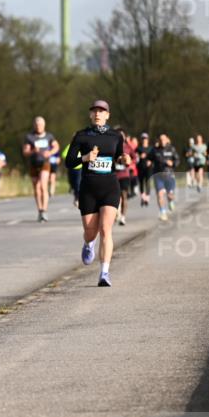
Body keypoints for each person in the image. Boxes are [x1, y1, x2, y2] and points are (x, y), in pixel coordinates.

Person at [66, 100, 127, 287]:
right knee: (90, 231)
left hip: (110, 186)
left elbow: (119, 158)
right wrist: (85, 158)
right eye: (95, 111)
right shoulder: (81, 136)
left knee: (105, 230)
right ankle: (88, 244)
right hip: (88, 188)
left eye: (102, 111)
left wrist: (124, 158)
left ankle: (104, 273)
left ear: (108, 115)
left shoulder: (116, 136)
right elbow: (69, 162)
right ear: (90, 115)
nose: (98, 114)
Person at [22, 117, 59, 222]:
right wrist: (33, 151)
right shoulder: (29, 137)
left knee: (43, 186)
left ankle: (45, 210)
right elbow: (25, 152)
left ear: (44, 125)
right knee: (37, 189)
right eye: (37, 125)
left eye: (41, 124)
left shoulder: (49, 136)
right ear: (34, 125)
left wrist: (50, 153)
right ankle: (40, 210)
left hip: (45, 163)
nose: (39, 126)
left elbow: (56, 146)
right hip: (33, 164)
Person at [149, 134, 179, 220]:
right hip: (158, 176)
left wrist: (173, 163)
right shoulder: (155, 150)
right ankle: (163, 212)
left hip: (169, 175)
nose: (162, 141)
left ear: (167, 140)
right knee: (160, 194)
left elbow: (177, 159)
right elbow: (149, 158)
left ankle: (171, 201)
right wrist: (149, 161)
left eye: (164, 139)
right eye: (160, 139)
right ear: (158, 140)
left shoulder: (171, 149)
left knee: (170, 195)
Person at [114, 130, 137, 226]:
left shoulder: (128, 147)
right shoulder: (112, 146)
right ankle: (116, 213)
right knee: (115, 197)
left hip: (124, 175)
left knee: (124, 196)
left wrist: (131, 164)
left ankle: (123, 217)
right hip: (114, 175)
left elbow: (135, 158)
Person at [136, 132, 153, 206]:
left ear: (148, 139)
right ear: (141, 139)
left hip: (148, 168)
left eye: (145, 138)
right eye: (143, 138)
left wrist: (150, 161)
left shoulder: (151, 148)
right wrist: (139, 157)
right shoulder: (138, 148)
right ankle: (143, 197)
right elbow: (135, 158)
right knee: (141, 183)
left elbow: (155, 157)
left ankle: (147, 198)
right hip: (140, 167)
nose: (144, 140)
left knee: (148, 182)